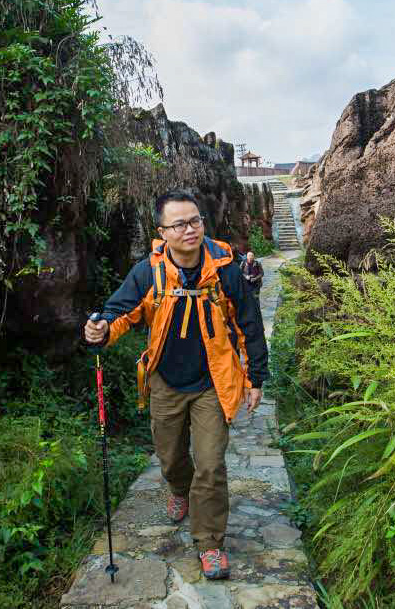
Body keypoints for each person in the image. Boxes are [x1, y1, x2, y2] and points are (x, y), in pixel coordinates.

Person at [83, 190, 269, 581]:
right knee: (170, 458)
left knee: (212, 464)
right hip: (165, 381)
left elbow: (249, 325)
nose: (190, 230)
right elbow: (121, 313)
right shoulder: (149, 271)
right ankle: (180, 492)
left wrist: (256, 379)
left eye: (196, 221)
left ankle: (210, 542)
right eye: (180, 224)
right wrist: (100, 331)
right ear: (162, 231)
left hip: (212, 383)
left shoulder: (225, 268)